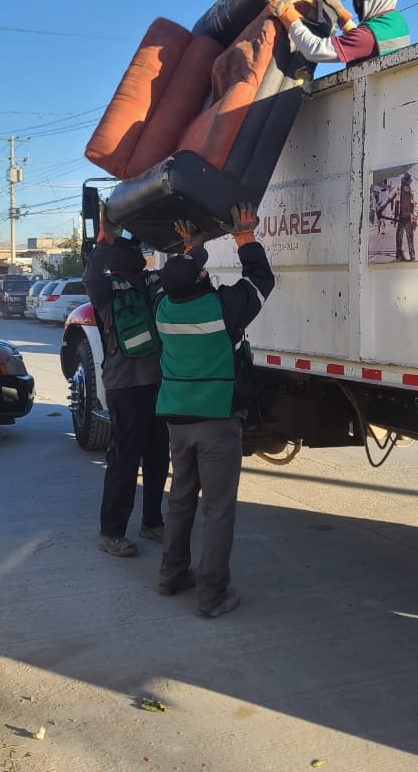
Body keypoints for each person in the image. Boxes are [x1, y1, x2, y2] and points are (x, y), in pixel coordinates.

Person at [154, 203, 275, 619]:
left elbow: (180, 278)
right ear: (202, 279)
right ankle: (212, 594)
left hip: (177, 422)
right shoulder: (223, 309)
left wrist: (191, 249)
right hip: (217, 422)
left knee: (181, 499)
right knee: (218, 508)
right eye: (203, 271)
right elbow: (261, 279)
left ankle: (171, 574)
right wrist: (244, 237)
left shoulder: (162, 309)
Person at [83, 202, 169, 558]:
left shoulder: (152, 282)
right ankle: (111, 531)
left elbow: (183, 271)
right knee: (124, 459)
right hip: (126, 385)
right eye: (130, 248)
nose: (138, 255)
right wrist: (103, 240)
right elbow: (90, 277)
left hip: (159, 383)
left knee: (157, 457)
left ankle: (152, 522)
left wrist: (186, 242)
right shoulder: (106, 288)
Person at [268, 0, 410, 65]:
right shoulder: (395, 23)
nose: (356, 4)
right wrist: (344, 19)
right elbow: (366, 45)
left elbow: (315, 51)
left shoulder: (369, 35)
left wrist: (290, 18)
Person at [395, 172, 416, 262]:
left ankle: (412, 256)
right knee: (399, 238)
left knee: (409, 239)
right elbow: (397, 205)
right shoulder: (399, 193)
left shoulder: (411, 193)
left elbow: (413, 206)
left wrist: (413, 217)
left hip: (407, 219)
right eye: (406, 184)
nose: (408, 186)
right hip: (401, 219)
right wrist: (396, 219)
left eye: (408, 184)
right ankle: (400, 256)